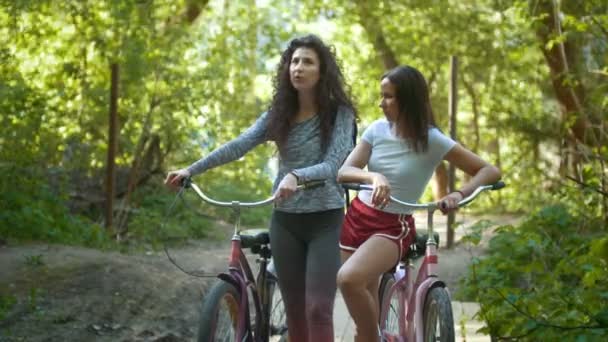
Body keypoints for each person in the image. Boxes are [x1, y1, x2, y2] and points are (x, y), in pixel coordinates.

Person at [165, 34, 356, 342]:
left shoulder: (340, 115)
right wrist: (191, 169)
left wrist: (296, 176)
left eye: (308, 62)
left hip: (326, 220)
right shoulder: (278, 115)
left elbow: (334, 165)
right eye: (294, 61)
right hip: (286, 222)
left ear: (322, 71)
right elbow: (239, 144)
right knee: (294, 309)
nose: (299, 67)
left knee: (318, 308)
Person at [335, 65, 501, 341]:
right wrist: (375, 176)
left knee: (348, 279)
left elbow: (489, 170)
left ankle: (371, 337)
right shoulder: (376, 130)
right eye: (381, 95)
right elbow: (344, 172)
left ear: (408, 100)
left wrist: (458, 194)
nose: (381, 103)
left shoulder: (431, 139)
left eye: (388, 96)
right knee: (364, 298)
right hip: (356, 218)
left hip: (391, 226)